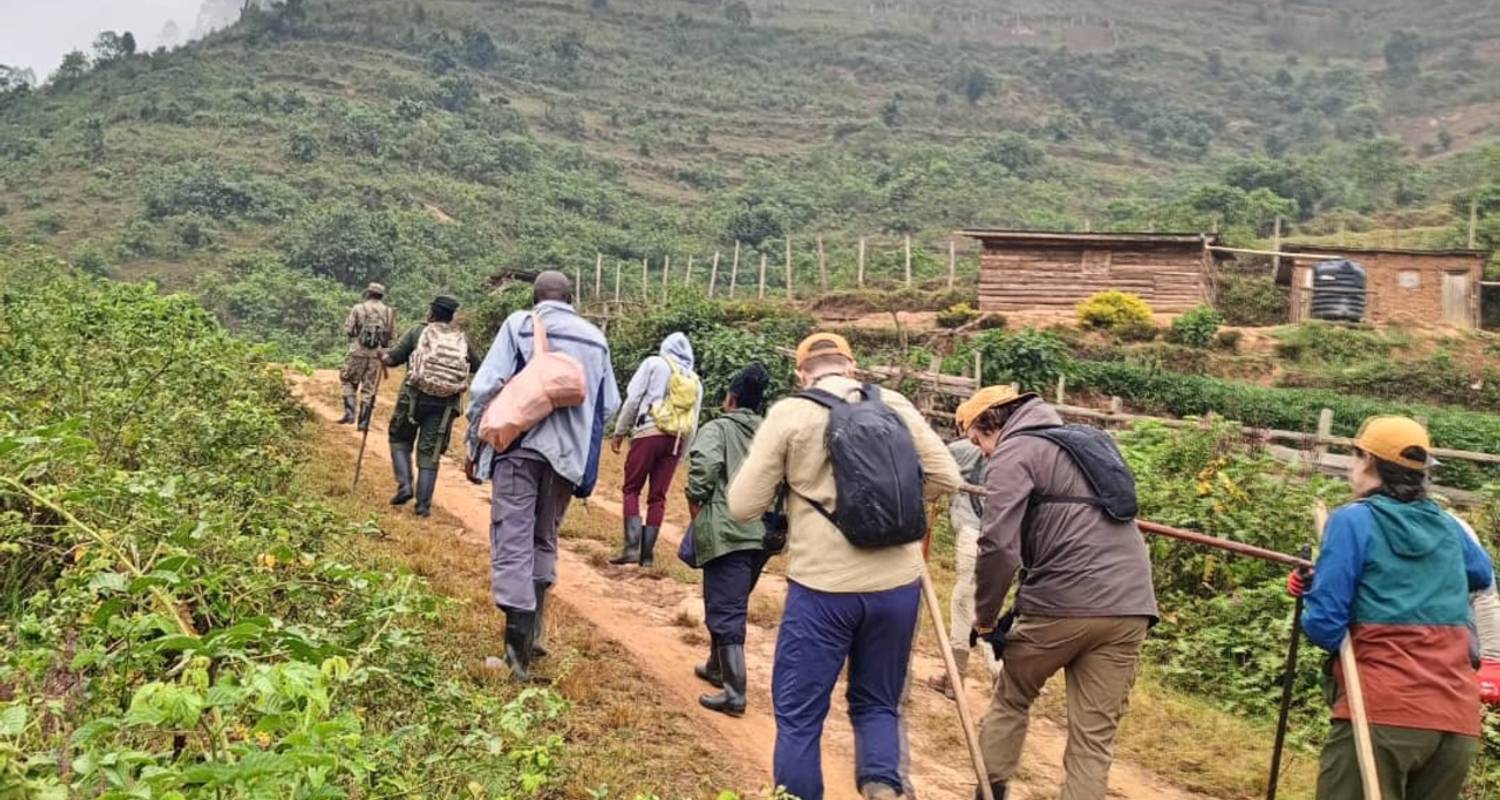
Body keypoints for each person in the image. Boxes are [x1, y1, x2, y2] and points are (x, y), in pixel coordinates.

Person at [727, 333, 963, 800]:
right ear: (851, 367)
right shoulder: (892, 402)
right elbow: (946, 478)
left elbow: (742, 506)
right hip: (898, 585)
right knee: (878, 704)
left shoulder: (791, 413)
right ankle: (882, 787)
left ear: (802, 374)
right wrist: (888, 508)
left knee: (799, 716)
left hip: (823, 589)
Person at [964, 386, 1158, 800]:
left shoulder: (1014, 452)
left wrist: (985, 619)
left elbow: (999, 546)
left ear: (989, 424)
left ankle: (988, 792)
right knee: (1094, 739)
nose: (981, 453)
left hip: (1062, 604)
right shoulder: (1086, 442)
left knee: (1013, 696)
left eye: (976, 441)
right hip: (1131, 605)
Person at [1287, 415, 1494, 800]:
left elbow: (1324, 626)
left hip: (1381, 715)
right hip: (1455, 724)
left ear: (1366, 459)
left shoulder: (1353, 520)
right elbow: (1481, 574)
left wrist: (1323, 591)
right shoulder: (1447, 525)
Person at [465, 271, 620, 682]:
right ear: (572, 298)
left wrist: (473, 443)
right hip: (566, 461)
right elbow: (608, 406)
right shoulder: (596, 338)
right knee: (544, 538)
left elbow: (486, 387)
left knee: (513, 538)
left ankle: (515, 658)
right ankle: (533, 636)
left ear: (536, 299)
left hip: (520, 449)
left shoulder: (521, 324)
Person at [684, 362, 773, 717]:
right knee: (729, 598)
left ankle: (735, 693)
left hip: (730, 529)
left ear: (730, 398)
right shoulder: (771, 431)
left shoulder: (718, 428)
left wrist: (696, 502)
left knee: (726, 607)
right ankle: (716, 665)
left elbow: (703, 471)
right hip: (765, 533)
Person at [381, 294, 483, 517]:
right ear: (452, 316)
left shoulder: (418, 331)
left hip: (413, 399)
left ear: (431, 313)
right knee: (430, 453)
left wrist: (383, 356)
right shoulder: (460, 340)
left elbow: (394, 359)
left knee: (399, 438)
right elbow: (478, 366)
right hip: (444, 406)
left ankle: (405, 485)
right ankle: (423, 506)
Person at [608, 332, 704, 568]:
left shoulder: (654, 364)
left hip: (648, 433)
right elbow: (694, 420)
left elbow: (633, 399)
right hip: (675, 441)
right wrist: (682, 453)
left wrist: (620, 430)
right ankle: (647, 555)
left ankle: (631, 547)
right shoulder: (694, 380)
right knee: (657, 498)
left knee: (631, 489)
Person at [926, 436, 1000, 700]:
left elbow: (932, 475)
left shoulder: (962, 449)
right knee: (986, 605)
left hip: (975, 534)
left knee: (964, 604)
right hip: (1006, 541)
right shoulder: (1018, 451)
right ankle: (960, 676)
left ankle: (967, 674)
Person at [339, 282, 395, 429]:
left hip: (357, 352)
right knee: (369, 387)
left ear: (368, 293)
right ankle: (363, 423)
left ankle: (350, 414)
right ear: (382, 296)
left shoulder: (358, 308)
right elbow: (390, 336)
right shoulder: (389, 312)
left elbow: (349, 330)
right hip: (376, 356)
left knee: (348, 380)